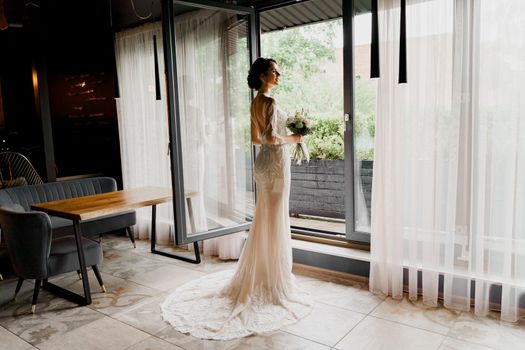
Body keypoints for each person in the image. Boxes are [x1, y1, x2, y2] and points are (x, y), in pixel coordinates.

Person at [161, 57, 312, 340]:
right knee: (274, 220)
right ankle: (272, 280)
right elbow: (268, 140)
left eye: (277, 70)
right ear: (262, 75)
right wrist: (295, 139)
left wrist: (285, 136)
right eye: (272, 70)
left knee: (266, 219)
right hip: (276, 165)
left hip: (263, 166)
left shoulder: (255, 102)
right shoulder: (269, 102)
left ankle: (264, 274)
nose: (278, 74)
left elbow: (255, 140)